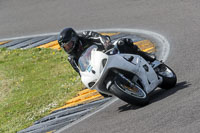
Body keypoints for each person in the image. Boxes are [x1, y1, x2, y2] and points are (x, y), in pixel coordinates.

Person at [58, 27, 155, 74]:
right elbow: (81, 73)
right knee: (103, 93)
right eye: (65, 47)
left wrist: (106, 43)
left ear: (74, 38)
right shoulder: (72, 58)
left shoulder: (85, 35)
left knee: (122, 43)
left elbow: (100, 37)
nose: (68, 48)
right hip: (97, 67)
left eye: (69, 44)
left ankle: (146, 57)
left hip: (108, 53)